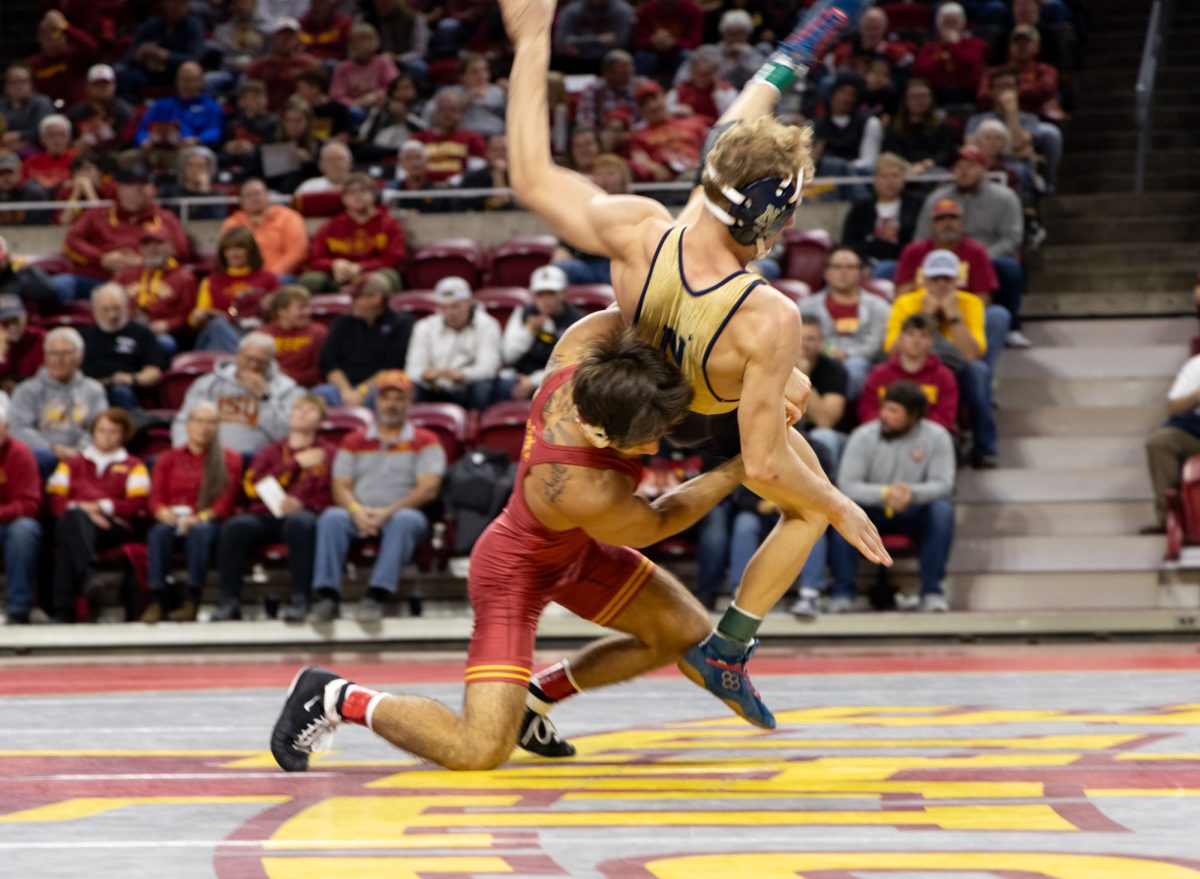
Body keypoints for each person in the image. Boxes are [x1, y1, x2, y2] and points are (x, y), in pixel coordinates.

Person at [501, 0, 885, 730]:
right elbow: (767, 467)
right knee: (805, 499)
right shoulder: (768, 314)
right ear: (771, 221)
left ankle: (559, 686)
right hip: (706, 411)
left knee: (791, 389)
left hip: (651, 381)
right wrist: (836, 504)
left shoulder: (640, 229)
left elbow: (530, 175)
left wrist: (531, 39)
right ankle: (728, 649)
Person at [271, 320, 743, 771]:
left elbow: (641, 302)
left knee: (683, 630)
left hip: (574, 551)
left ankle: (533, 702)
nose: (655, 449)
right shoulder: (581, 484)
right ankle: (335, 696)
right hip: (513, 573)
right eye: (648, 438)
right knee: (477, 749)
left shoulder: (577, 354)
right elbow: (658, 521)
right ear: (605, 432)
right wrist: (741, 467)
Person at [309, 370, 445, 623]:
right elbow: (340, 485)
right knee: (331, 517)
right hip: (358, 511)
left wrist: (386, 512)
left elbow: (428, 488)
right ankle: (327, 596)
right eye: (386, 398)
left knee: (405, 520)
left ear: (409, 402)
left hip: (402, 512)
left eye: (398, 398)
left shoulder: (426, 440)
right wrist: (355, 510)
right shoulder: (354, 439)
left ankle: (376, 595)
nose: (391, 404)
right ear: (376, 401)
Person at [829, 380, 956, 613]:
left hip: (913, 511)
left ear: (914, 416)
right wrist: (885, 493)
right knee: (842, 511)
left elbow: (944, 484)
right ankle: (842, 593)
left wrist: (912, 493)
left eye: (894, 411)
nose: (884, 416)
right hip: (871, 511)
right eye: (884, 408)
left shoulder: (937, 437)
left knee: (942, 511)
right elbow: (847, 485)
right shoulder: (863, 436)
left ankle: (931, 593)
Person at [213, 394, 334, 621]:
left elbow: (333, 493)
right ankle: (229, 601)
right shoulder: (270, 451)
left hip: (305, 515)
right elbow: (252, 488)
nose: (302, 413)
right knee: (235, 527)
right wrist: (294, 463)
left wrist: (303, 504)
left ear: (321, 421)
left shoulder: (328, 453)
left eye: (310, 410)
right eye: (298, 409)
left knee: (300, 524)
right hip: (266, 514)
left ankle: (301, 599)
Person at [884, 249, 998, 469]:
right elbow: (893, 351)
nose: (941, 285)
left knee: (978, 371)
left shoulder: (971, 302)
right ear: (924, 280)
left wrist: (953, 316)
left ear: (957, 280)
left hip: (955, 368)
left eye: (947, 279)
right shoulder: (906, 303)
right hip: (913, 364)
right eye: (935, 279)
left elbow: (971, 354)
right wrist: (925, 315)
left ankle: (984, 447)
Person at [914, 145, 1028, 348]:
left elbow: (1013, 237)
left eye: (970, 166)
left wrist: (983, 256)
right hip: (941, 256)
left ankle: (1012, 327)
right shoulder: (937, 198)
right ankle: (914, 325)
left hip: (987, 254)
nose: (963, 171)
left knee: (1009, 268)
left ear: (984, 169)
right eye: (958, 166)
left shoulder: (1005, 197)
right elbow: (921, 236)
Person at [46, 408, 150, 622]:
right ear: (93, 432)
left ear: (123, 435)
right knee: (72, 523)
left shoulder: (134, 465)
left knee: (71, 526)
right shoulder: (71, 463)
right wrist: (85, 512)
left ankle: (64, 608)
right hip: (75, 522)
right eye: (102, 430)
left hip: (113, 526)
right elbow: (56, 501)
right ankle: (87, 575)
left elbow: (135, 504)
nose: (107, 436)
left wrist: (101, 507)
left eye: (113, 431)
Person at [143, 402, 243, 623]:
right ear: (188, 425)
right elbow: (155, 499)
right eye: (199, 421)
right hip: (172, 519)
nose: (204, 427)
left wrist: (199, 518)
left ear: (218, 427)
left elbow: (223, 504)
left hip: (208, 521)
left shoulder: (229, 459)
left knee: (201, 532)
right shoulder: (167, 458)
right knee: (158, 533)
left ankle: (192, 599)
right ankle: (157, 599)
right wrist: (162, 513)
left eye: (211, 422)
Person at [57, 166, 191, 304]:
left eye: (144, 184)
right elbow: (72, 241)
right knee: (60, 284)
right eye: (131, 185)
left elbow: (182, 251)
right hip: (98, 279)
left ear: (153, 189)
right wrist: (102, 258)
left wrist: (144, 262)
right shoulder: (97, 214)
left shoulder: (166, 218)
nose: (138, 190)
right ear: (119, 189)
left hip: (144, 285)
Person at [172, 332, 301, 459]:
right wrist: (187, 453)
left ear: (271, 362)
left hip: (258, 461)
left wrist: (264, 399)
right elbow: (184, 421)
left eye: (260, 362)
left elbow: (286, 435)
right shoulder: (209, 384)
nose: (253, 366)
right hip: (209, 457)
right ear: (238, 356)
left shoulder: (287, 389)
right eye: (248, 359)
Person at [9, 327, 107, 478]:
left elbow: (100, 427)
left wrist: (79, 451)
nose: (59, 360)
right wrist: (52, 447)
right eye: (53, 354)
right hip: (44, 455)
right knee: (41, 456)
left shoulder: (94, 390)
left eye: (66, 353)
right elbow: (17, 428)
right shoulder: (27, 390)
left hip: (83, 454)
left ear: (80, 357)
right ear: (45, 357)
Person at [798, 247, 890, 401]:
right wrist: (830, 352)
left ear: (861, 272)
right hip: (818, 361)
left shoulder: (879, 306)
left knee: (854, 368)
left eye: (850, 267)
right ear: (826, 272)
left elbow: (876, 342)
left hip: (861, 364)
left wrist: (847, 356)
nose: (843, 272)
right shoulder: (806, 306)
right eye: (837, 267)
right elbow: (802, 338)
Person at [315, 273, 413, 407]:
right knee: (319, 394)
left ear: (376, 298)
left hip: (378, 387)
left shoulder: (401, 324)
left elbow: (392, 367)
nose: (352, 302)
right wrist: (346, 391)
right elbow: (329, 363)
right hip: (342, 389)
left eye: (357, 297)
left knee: (381, 398)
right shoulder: (342, 322)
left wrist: (360, 392)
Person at [299, 173, 407, 294]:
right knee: (310, 280)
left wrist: (362, 267)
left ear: (373, 194)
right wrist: (334, 264)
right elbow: (315, 258)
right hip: (339, 276)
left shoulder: (389, 224)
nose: (357, 195)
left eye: (363, 190)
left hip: (375, 274)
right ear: (343, 198)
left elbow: (394, 258)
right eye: (351, 192)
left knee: (383, 279)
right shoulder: (330, 227)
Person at [406, 277, 502, 411]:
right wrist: (425, 374)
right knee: (407, 387)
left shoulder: (488, 325)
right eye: (443, 308)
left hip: (468, 387)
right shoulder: (424, 326)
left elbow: (488, 368)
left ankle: (476, 425)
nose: (449, 313)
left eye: (455, 306)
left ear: (469, 303)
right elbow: (412, 370)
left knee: (484, 387)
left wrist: (462, 375)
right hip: (434, 387)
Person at [860, 313, 958, 436]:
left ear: (932, 341)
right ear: (900, 338)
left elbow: (945, 417)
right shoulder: (879, 374)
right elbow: (868, 411)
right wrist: (893, 426)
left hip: (927, 438)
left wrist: (909, 428)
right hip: (885, 435)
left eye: (924, 336)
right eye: (911, 334)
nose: (916, 341)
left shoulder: (944, 376)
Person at [500, 265, 586, 400]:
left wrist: (534, 381)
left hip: (559, 379)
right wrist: (528, 331)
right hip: (520, 376)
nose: (545, 300)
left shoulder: (578, 321)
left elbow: (573, 364)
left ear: (563, 294)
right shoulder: (523, 314)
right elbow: (508, 356)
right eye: (540, 294)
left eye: (551, 293)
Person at [191, 226, 280, 352]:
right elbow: (195, 321)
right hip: (220, 335)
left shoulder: (269, 278)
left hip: (255, 333)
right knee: (217, 325)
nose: (234, 254)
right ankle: (244, 357)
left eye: (239, 248)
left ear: (251, 251)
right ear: (223, 253)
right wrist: (199, 316)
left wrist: (270, 307)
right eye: (228, 249)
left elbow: (279, 317)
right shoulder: (211, 281)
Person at [81, 283, 167, 410]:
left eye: (116, 308)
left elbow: (153, 372)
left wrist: (133, 379)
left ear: (126, 307)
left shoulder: (142, 334)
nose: (112, 315)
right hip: (89, 389)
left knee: (120, 392)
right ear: (95, 310)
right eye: (105, 309)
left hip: (125, 390)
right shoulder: (84, 335)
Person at [1144, 352, 1200, 534]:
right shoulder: (1197, 365)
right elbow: (1173, 408)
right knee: (1161, 442)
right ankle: (1170, 519)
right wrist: (1197, 395)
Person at [118, 232, 197, 358]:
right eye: (147, 244)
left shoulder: (184, 278)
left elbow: (188, 316)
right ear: (140, 249)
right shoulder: (126, 274)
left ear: (171, 247)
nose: (152, 249)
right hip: (127, 330)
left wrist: (168, 324)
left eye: (159, 243)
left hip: (162, 335)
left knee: (164, 343)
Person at [0, 399, 42, 625]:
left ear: (6, 429)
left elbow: (29, 504)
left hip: (12, 522)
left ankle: (18, 608)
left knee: (25, 531)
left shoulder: (20, 454)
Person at [221, 178, 309, 279]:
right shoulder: (232, 223)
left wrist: (268, 277)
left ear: (267, 195)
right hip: (245, 277)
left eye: (257, 193)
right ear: (240, 201)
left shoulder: (289, 217)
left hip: (282, 276)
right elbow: (230, 256)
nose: (254, 198)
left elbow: (297, 254)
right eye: (248, 195)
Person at [117, 0, 205, 99]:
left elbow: (196, 58)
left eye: (179, 3)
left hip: (176, 73)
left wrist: (166, 55)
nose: (173, 7)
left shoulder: (193, 26)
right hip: (149, 72)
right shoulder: (151, 24)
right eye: (171, 2)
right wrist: (138, 56)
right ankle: (130, 106)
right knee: (121, 72)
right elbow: (128, 56)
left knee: (191, 74)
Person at [133, 61, 224, 151]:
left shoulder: (211, 106)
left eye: (190, 80)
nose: (185, 84)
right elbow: (142, 129)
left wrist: (197, 139)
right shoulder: (161, 105)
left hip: (191, 150)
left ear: (201, 82)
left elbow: (215, 131)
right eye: (182, 80)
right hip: (158, 148)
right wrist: (143, 140)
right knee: (126, 158)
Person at [411, 90, 488, 183]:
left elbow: (478, 172)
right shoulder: (418, 139)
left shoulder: (473, 138)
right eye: (443, 109)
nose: (447, 114)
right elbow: (405, 171)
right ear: (435, 112)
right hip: (424, 190)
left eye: (453, 109)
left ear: (461, 113)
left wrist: (452, 181)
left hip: (459, 192)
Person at [244, 18, 320, 111]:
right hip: (265, 118)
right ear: (273, 38)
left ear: (297, 39)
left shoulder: (308, 65)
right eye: (282, 35)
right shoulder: (259, 66)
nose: (286, 39)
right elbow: (248, 94)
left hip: (298, 118)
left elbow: (319, 96)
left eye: (291, 36)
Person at [260, 285, 328, 387]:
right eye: (301, 308)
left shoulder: (319, 333)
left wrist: (289, 378)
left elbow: (321, 370)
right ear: (281, 311)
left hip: (309, 389)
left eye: (307, 307)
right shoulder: (263, 334)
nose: (307, 312)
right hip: (271, 386)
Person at [66, 64, 136, 156]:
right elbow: (67, 139)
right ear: (87, 87)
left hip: (115, 158)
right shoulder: (75, 114)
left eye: (105, 84)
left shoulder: (123, 111)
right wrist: (74, 144)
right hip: (83, 158)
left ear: (114, 86)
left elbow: (127, 141)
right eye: (97, 84)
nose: (102, 88)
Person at [0, 295, 47, 393]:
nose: (12, 327)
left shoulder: (40, 339)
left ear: (25, 317)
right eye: (5, 322)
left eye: (16, 321)